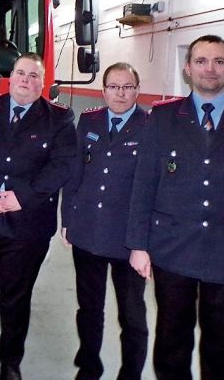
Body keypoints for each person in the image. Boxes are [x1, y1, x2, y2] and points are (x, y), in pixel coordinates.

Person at [127, 34, 224, 380]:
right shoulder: (163, 118)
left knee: (220, 348)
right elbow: (144, 185)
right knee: (170, 344)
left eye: (218, 61)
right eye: (201, 61)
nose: (209, 69)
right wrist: (138, 245)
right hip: (173, 252)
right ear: (187, 68)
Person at [0, 53, 77, 380]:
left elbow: (62, 165)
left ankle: (10, 361)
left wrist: (21, 197)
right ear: (12, 77)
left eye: (34, 75)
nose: (26, 80)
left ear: (43, 82)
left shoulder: (60, 119)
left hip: (27, 225)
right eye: (21, 73)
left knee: (15, 297)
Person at [61, 62, 148, 380]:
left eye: (127, 86)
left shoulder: (150, 126)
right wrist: (68, 218)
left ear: (137, 89)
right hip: (88, 232)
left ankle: (131, 373)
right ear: (104, 90)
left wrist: (146, 240)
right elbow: (74, 174)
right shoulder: (89, 120)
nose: (120, 93)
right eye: (113, 86)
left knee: (132, 315)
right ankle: (89, 366)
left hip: (129, 239)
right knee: (89, 308)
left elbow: (152, 187)